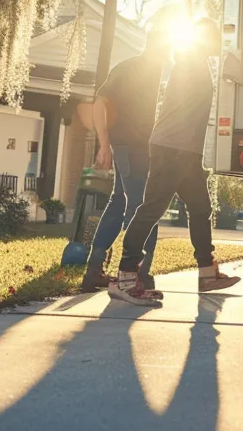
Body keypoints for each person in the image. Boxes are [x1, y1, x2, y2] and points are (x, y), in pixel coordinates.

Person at [110, 18, 241, 307]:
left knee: (200, 208)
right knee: (152, 209)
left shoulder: (194, 61)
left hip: (185, 151)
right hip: (173, 149)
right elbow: (232, 73)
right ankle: (126, 278)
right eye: (214, 38)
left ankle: (207, 273)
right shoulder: (191, 63)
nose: (219, 43)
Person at [79, 22, 173, 294]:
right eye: (166, 48)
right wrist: (104, 144)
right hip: (131, 149)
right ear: (155, 45)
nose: (168, 55)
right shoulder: (133, 68)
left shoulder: (151, 70)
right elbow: (99, 104)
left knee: (119, 201)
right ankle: (138, 274)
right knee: (143, 209)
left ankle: (94, 270)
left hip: (133, 148)